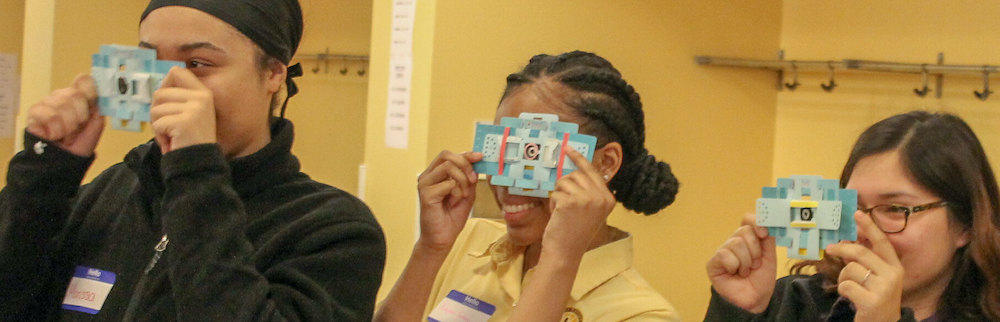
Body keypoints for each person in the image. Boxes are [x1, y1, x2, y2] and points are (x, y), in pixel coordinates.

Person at [0, 0, 386, 320]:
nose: (168, 85)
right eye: (150, 63)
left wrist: (195, 171)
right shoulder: (110, 193)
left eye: (199, 65)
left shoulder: (333, 231)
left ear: (273, 74)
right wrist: (45, 176)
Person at [374, 51, 682, 321]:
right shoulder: (468, 243)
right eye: (503, 151)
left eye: (537, 155)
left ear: (605, 163)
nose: (509, 184)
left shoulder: (643, 314)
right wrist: (430, 249)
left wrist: (559, 258)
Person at [705, 111, 1000, 321]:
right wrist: (738, 311)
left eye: (896, 209)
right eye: (852, 207)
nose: (862, 230)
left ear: (966, 225)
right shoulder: (796, 302)